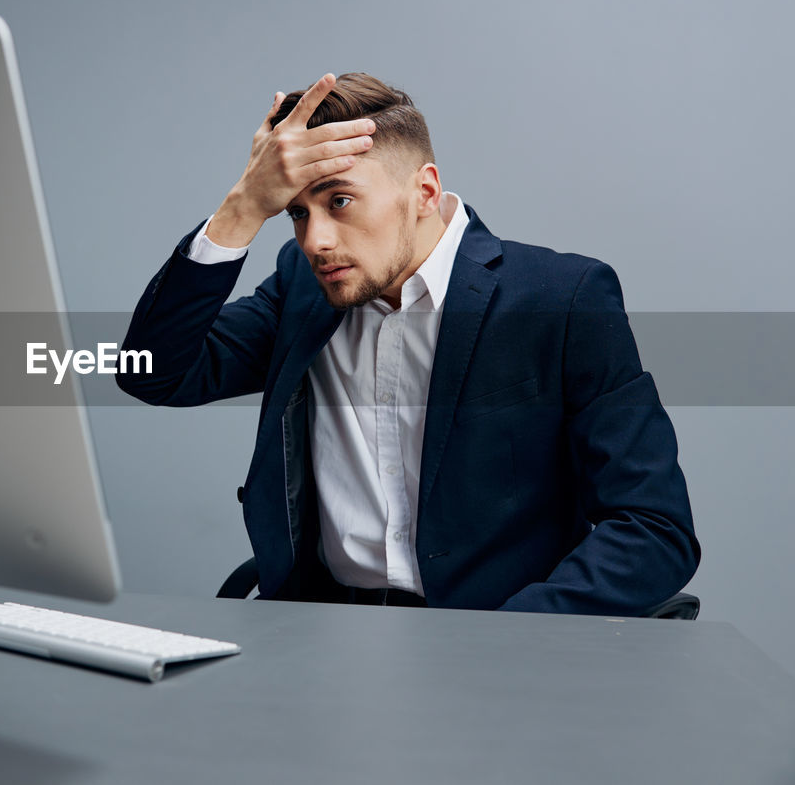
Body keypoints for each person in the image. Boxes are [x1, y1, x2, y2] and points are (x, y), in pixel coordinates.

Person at [117, 73, 700, 615]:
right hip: (321, 637)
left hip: (498, 641)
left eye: (339, 201)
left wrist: (508, 642)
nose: (315, 241)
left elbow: (653, 527)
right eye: (296, 211)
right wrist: (243, 206)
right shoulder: (304, 290)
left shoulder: (561, 299)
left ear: (424, 190)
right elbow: (153, 373)